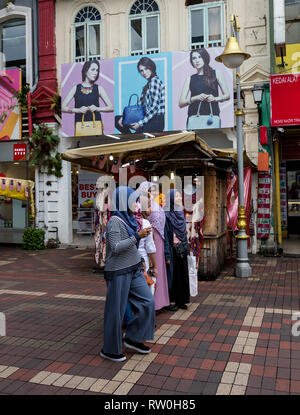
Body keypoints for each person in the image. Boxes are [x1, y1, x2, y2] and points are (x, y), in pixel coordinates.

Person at [100, 186, 155, 362]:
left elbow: (131, 245)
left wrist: (140, 260)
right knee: (115, 312)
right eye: (133, 200)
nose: (136, 204)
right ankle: (109, 350)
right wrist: (138, 236)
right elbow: (115, 248)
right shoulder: (114, 221)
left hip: (134, 268)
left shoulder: (130, 219)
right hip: (118, 271)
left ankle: (133, 337)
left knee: (148, 301)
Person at [136, 181, 170, 311]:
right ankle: (152, 303)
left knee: (158, 270)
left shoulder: (154, 203)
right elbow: (145, 217)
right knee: (151, 270)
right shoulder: (140, 204)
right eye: (149, 189)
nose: (152, 192)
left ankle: (161, 301)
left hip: (158, 240)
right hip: (149, 239)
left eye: (153, 190)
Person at [179, 48, 230, 128]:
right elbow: (181, 103)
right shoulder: (190, 78)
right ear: (191, 61)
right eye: (194, 58)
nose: (197, 60)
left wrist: (215, 99)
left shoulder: (216, 73)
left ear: (205, 58)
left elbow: (227, 95)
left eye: (200, 57)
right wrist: (195, 98)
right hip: (194, 117)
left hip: (212, 116)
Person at [62, 59, 113, 135]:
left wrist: (97, 108)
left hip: (96, 127)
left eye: (97, 70)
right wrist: (78, 110)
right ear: (86, 71)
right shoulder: (75, 88)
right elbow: (62, 107)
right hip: (80, 127)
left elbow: (111, 107)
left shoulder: (99, 88)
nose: (95, 73)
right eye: (93, 69)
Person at [115, 57, 165, 134]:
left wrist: (140, 123)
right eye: (141, 71)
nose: (144, 72)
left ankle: (131, 140)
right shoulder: (147, 85)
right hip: (148, 118)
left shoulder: (154, 81)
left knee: (135, 137)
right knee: (117, 119)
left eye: (146, 69)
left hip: (156, 121)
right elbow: (140, 104)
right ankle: (131, 138)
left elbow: (155, 108)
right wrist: (124, 117)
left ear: (151, 67)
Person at [164, 189, 190, 310]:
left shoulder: (180, 212)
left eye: (180, 196)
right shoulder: (166, 214)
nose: (180, 198)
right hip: (173, 248)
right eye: (177, 196)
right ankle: (173, 301)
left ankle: (182, 301)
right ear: (171, 199)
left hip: (182, 248)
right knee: (174, 276)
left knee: (183, 274)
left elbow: (183, 232)